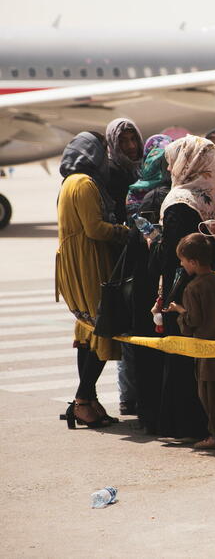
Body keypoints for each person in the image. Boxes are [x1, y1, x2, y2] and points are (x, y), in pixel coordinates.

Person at [155, 135, 215, 440]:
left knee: (182, 357)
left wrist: (164, 298)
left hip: (186, 293)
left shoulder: (179, 201)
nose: (171, 166)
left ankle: (184, 424)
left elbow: (172, 256)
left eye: (173, 159)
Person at [55, 132, 129, 429]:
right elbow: (95, 229)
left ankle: (89, 400)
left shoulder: (69, 182)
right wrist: (125, 232)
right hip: (88, 260)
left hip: (77, 259)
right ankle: (83, 400)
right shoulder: (84, 184)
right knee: (101, 327)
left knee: (87, 330)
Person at [117, 133, 172, 418]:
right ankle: (143, 404)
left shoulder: (137, 192)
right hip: (150, 279)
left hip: (140, 278)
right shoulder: (158, 196)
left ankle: (139, 405)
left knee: (141, 345)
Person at [170, 233, 215, 450]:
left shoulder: (193, 288)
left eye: (182, 261)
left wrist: (179, 310)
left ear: (193, 262)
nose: (181, 265)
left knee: (211, 397)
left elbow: (193, 321)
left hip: (207, 352)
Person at [105, 117, 144, 225]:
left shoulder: (138, 168)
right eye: (123, 141)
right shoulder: (111, 170)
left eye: (133, 139)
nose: (131, 146)